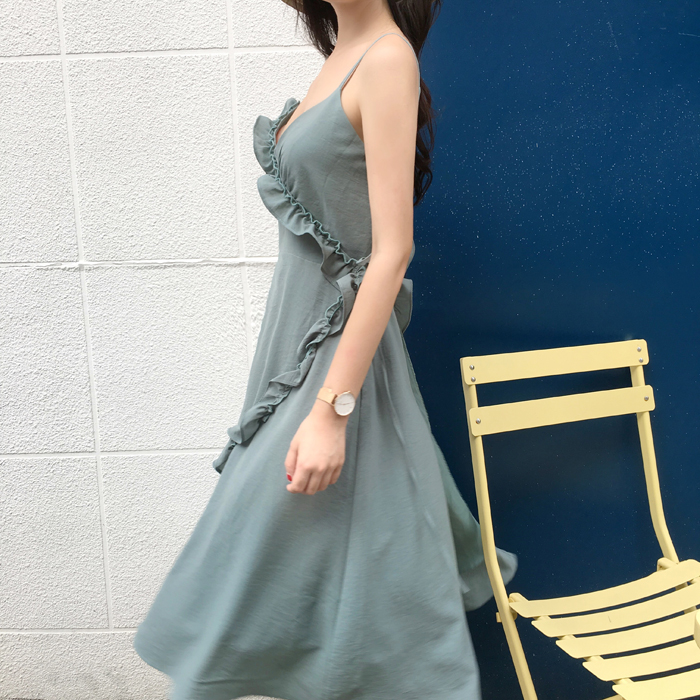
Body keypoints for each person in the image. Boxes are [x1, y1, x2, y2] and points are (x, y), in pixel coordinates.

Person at [133, 1, 517, 699]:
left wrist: (332, 410)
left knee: (256, 563)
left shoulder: (387, 58)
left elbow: (391, 250)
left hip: (336, 364)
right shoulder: (344, 55)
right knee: (348, 575)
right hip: (296, 348)